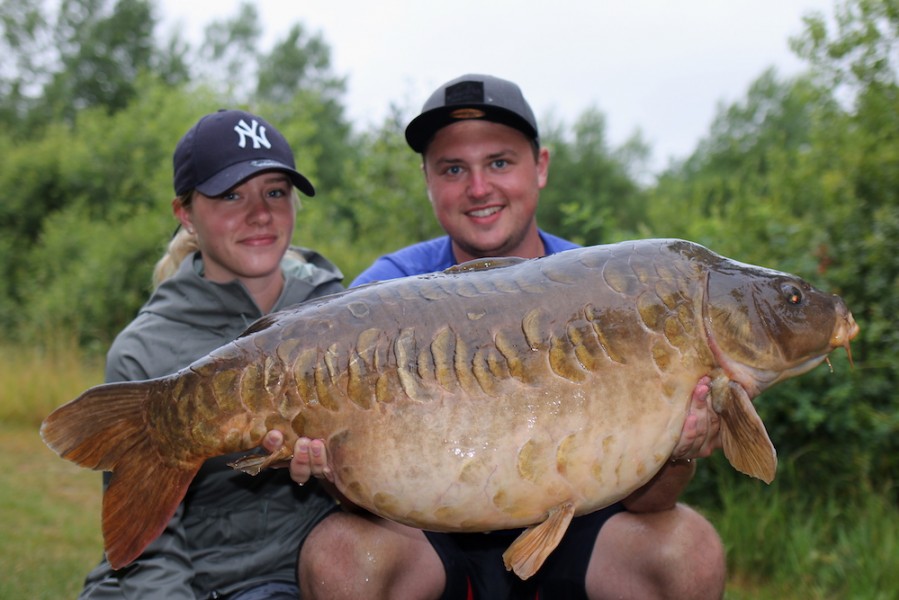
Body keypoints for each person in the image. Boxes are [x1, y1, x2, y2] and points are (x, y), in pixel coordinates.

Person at [286, 74, 726, 599]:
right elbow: (363, 500)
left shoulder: (609, 293)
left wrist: (679, 449)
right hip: (431, 532)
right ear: (427, 180)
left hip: (579, 526)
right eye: (453, 169)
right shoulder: (385, 295)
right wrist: (332, 465)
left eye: (499, 162)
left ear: (539, 167)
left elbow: (648, 505)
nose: (478, 188)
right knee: (338, 554)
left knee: (690, 550)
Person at [77, 109, 345, 600]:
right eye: (230, 195)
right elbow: (149, 551)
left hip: (320, 570)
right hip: (199, 582)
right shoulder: (144, 351)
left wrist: (345, 476)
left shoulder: (343, 315)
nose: (260, 213)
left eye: (276, 192)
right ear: (186, 215)